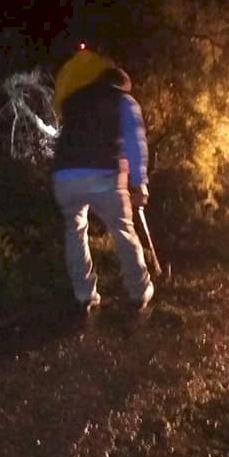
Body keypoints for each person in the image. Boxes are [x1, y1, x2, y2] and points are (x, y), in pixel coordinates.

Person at [51, 63, 154, 311]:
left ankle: (84, 295)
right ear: (122, 85)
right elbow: (135, 142)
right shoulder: (124, 102)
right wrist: (139, 183)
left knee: (74, 232)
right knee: (122, 229)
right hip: (103, 174)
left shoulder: (74, 100)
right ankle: (139, 289)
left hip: (64, 176)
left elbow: (64, 136)